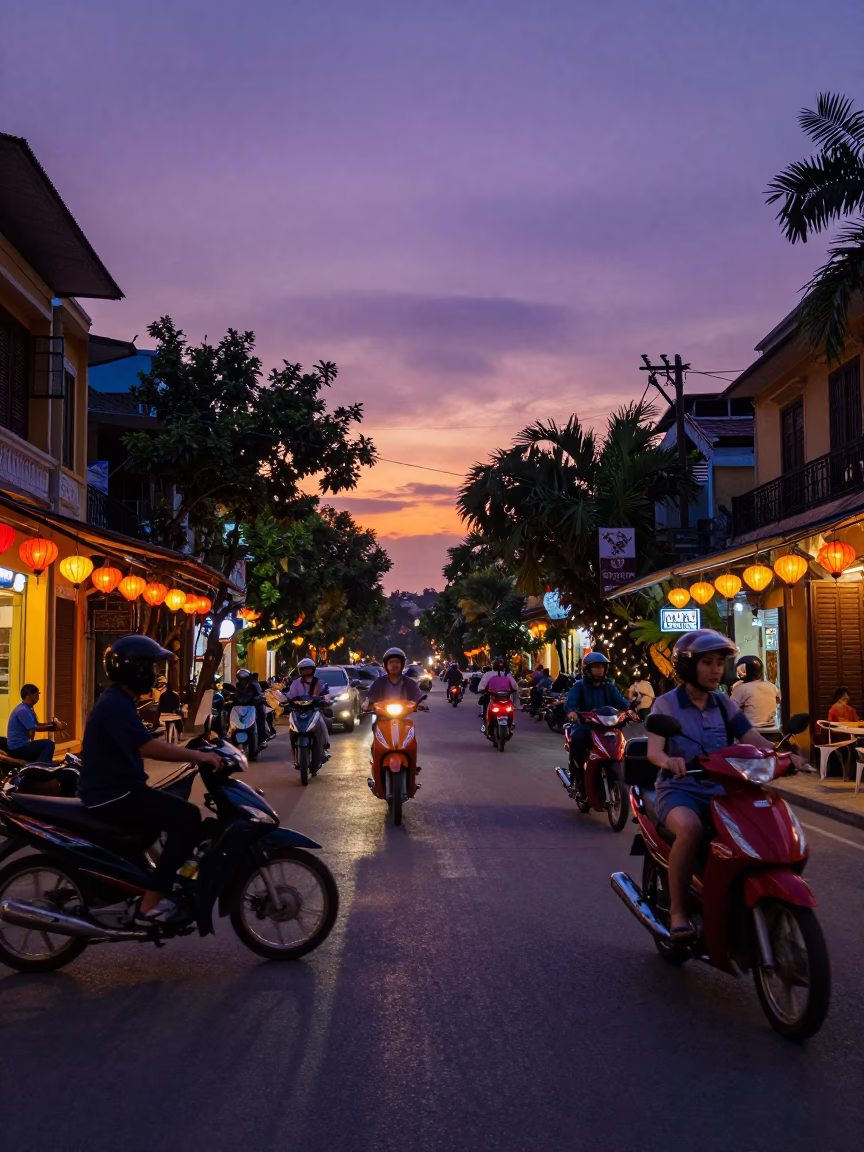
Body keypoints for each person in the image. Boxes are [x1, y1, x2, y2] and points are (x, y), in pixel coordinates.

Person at [646, 629, 807, 940]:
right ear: (689, 666)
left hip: (726, 790)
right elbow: (654, 751)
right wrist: (669, 761)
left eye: (719, 663)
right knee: (691, 829)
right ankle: (678, 911)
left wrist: (782, 756)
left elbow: (753, 740)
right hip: (680, 790)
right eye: (707, 662)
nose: (716, 669)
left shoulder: (724, 704)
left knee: (758, 830)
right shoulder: (667, 704)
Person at [79, 635, 223, 924]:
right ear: (137, 670)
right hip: (114, 794)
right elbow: (147, 746)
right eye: (153, 668)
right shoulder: (115, 705)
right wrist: (197, 757)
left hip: (118, 788)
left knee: (166, 814)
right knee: (188, 817)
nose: (156, 675)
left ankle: (152, 880)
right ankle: (151, 903)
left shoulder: (119, 700)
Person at [565, 653, 631, 790]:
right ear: (587, 670)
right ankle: (578, 777)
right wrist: (572, 711)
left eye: (601, 667)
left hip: (607, 726)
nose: (599, 670)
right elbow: (571, 702)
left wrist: (630, 710)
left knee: (622, 746)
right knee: (577, 741)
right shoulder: (580, 686)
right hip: (585, 726)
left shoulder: (609, 686)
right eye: (595, 667)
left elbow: (621, 702)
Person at [286, 657, 331, 764]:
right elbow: (289, 695)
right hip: (298, 711)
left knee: (322, 722)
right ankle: (294, 745)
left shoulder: (319, 682)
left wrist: (325, 701)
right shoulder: (295, 683)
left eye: (308, 669)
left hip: (313, 710)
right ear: (300, 670)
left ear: (313, 670)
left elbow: (325, 695)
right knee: (291, 724)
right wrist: (286, 701)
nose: (306, 672)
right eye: (304, 669)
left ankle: (325, 747)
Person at [7, 684, 65, 764]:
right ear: (28, 695)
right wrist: (53, 725)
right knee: (49, 744)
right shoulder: (22, 710)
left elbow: (37, 725)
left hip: (23, 745)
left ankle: (41, 764)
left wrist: (54, 727)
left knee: (44, 744)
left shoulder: (28, 708)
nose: (38, 697)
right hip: (19, 748)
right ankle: (43, 768)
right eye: (36, 694)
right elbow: (35, 728)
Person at [730, 655, 780, 729]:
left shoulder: (740, 688)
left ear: (746, 671)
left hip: (751, 731)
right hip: (772, 729)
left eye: (741, 671)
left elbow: (730, 708)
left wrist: (733, 688)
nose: (739, 675)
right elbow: (778, 701)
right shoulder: (772, 686)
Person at [827, 687, 860, 780]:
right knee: (850, 747)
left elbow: (856, 721)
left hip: (852, 735)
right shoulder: (833, 710)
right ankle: (848, 774)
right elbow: (831, 725)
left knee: (855, 746)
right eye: (844, 698)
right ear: (839, 699)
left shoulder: (850, 710)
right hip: (839, 736)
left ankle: (853, 774)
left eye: (847, 698)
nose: (847, 699)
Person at [235, 667, 268, 747]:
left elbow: (260, 695)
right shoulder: (237, 686)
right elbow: (234, 695)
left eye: (245, 679)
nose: (243, 681)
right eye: (241, 679)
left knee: (261, 713)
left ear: (248, 678)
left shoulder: (255, 685)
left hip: (253, 707)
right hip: (240, 708)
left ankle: (262, 738)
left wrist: (259, 698)